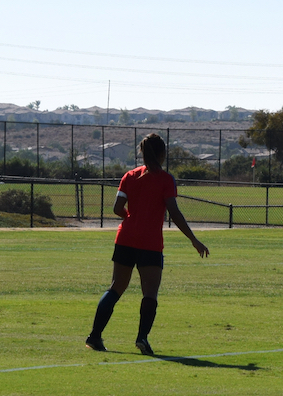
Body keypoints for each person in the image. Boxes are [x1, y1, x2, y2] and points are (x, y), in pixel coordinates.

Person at [86, 133, 209, 355]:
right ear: (162, 154)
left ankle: (94, 336)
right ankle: (142, 338)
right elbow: (174, 212)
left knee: (116, 287)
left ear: (142, 153)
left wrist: (132, 220)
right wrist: (194, 239)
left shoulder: (130, 176)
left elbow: (116, 209)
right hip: (150, 243)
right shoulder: (165, 180)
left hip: (125, 238)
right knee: (150, 293)